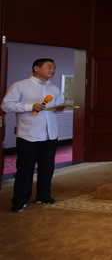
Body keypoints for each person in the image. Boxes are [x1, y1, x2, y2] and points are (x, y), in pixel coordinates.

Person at [2, 58, 66, 213]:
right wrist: (30, 106)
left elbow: (57, 105)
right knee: (25, 169)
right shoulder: (20, 86)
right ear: (36, 68)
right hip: (29, 134)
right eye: (49, 67)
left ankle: (43, 196)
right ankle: (20, 200)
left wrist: (59, 108)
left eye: (54, 68)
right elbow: (6, 105)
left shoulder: (54, 89)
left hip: (50, 134)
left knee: (47, 168)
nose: (52, 70)